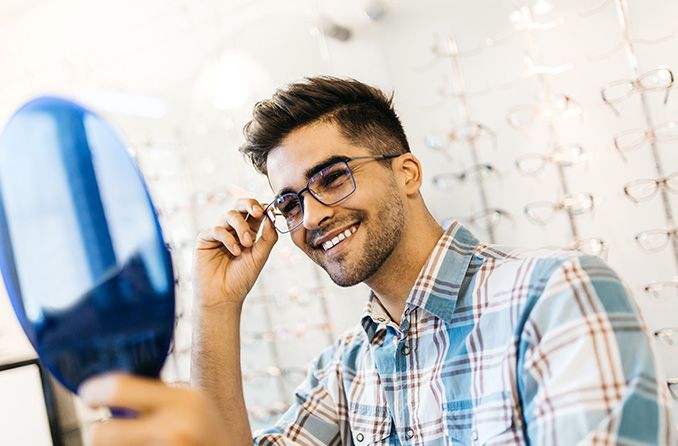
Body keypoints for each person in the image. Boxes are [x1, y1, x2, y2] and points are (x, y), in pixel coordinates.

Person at [79, 76, 675, 445]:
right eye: (289, 202)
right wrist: (217, 305)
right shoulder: (346, 370)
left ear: (407, 173)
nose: (309, 217)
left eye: (332, 178)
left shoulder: (557, 294)